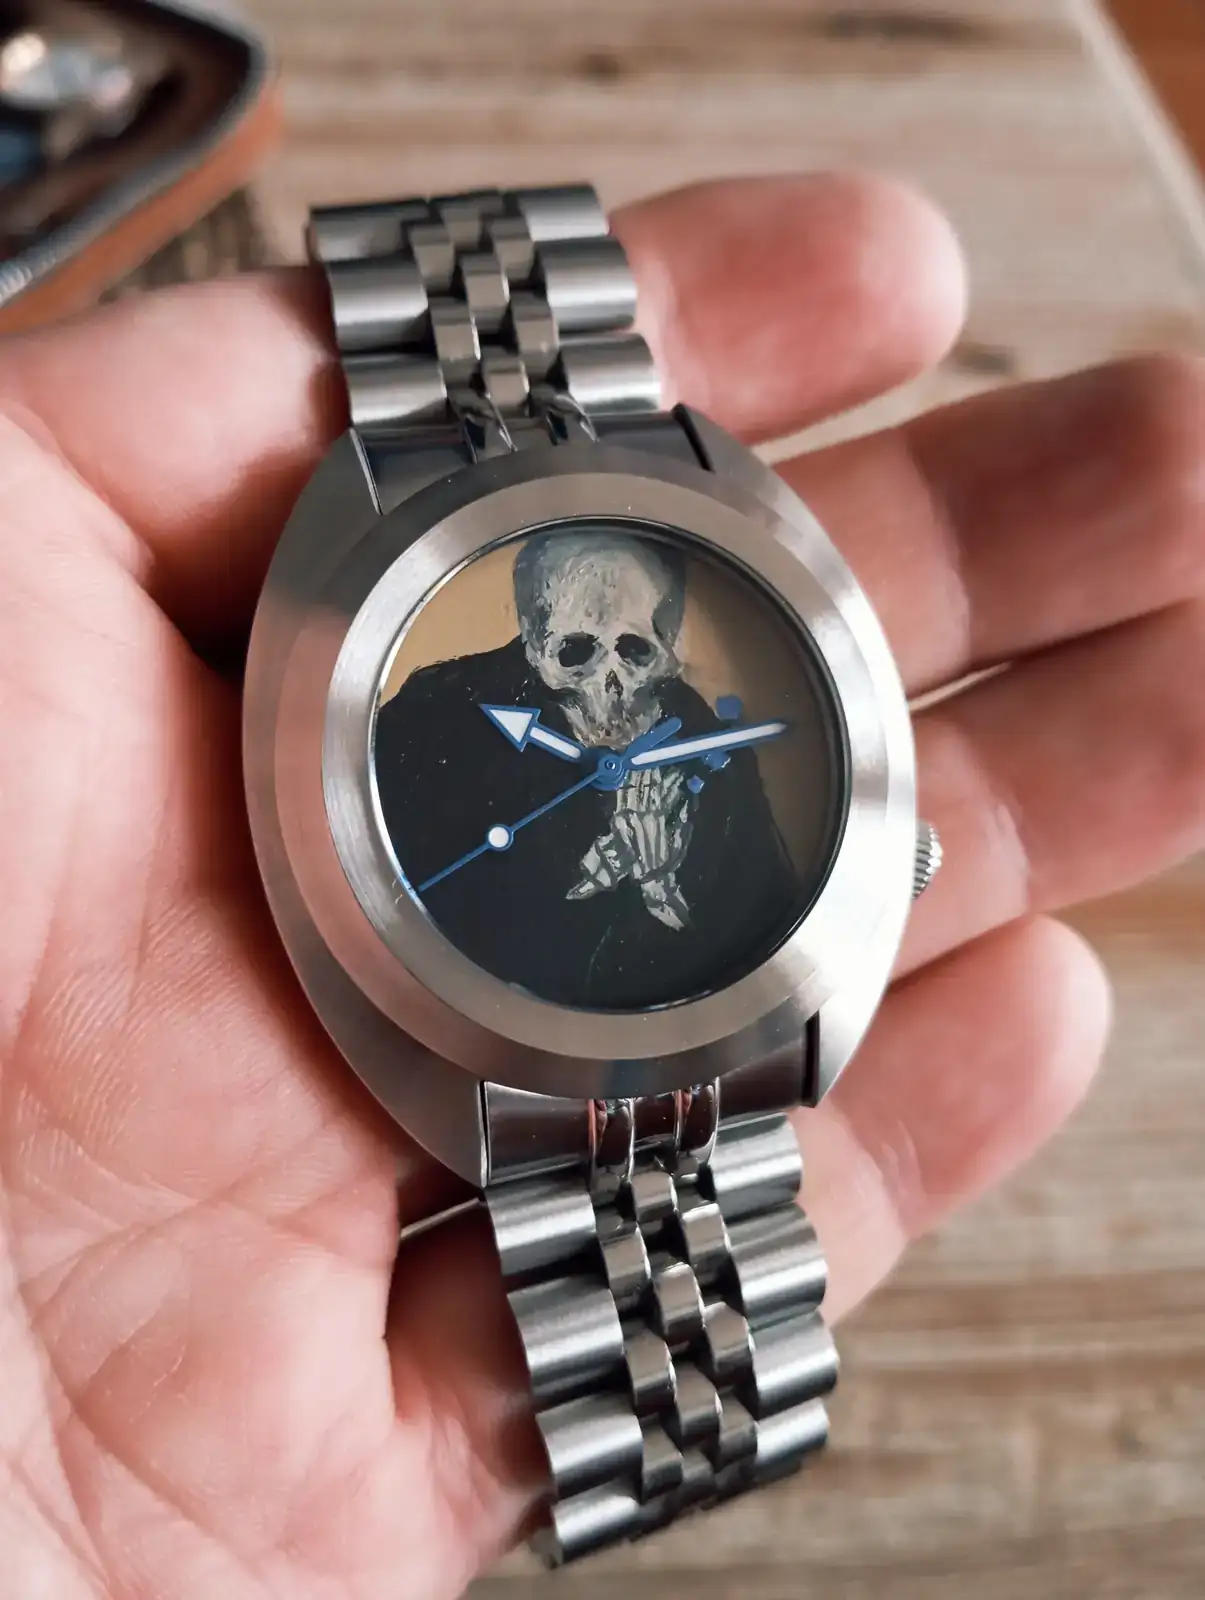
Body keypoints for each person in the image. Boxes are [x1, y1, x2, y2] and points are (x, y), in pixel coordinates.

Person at [0, 173, 1202, 1597]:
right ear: (525, 644)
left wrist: (674, 895)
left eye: (643, 655)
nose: (617, 689)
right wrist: (579, 879)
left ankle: (689, 1430)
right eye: (573, 656)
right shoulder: (422, 711)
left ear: (680, 646)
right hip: (503, 1059)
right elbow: (436, 883)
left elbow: (761, 883)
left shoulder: (712, 736)